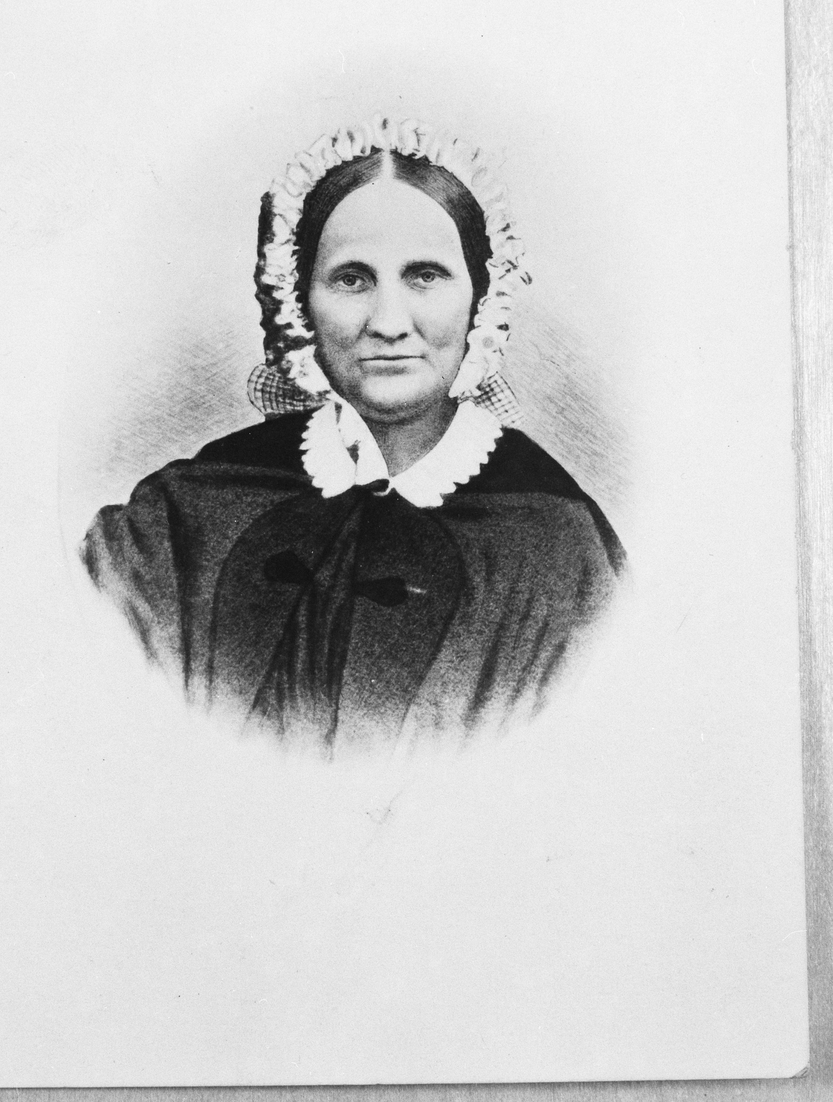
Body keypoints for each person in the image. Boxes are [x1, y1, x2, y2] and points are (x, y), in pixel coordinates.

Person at [81, 116, 625, 752]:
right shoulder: (182, 519)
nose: (388, 323)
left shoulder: (561, 547)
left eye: (425, 275)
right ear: (297, 302)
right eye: (351, 279)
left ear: (482, 297)